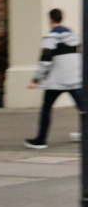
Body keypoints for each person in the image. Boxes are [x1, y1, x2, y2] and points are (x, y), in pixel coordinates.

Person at [26, 9, 84, 149]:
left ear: (50, 20)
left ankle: (41, 140)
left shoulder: (50, 38)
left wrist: (36, 79)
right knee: (83, 108)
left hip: (56, 82)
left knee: (46, 109)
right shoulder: (75, 37)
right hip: (74, 79)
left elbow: (45, 61)